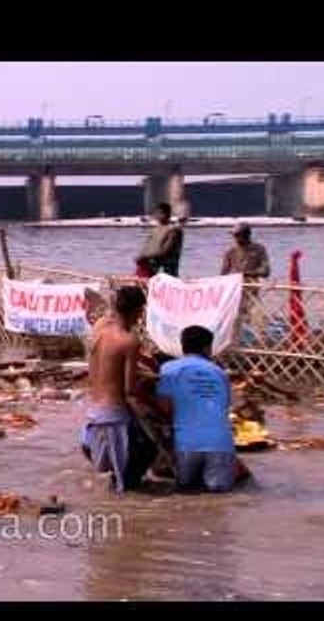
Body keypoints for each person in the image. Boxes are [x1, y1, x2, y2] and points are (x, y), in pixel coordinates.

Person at [80, 286, 156, 492]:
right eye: (141, 311)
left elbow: (110, 363)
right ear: (138, 311)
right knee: (126, 481)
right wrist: (152, 392)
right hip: (114, 415)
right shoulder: (129, 340)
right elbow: (130, 389)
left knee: (117, 470)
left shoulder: (100, 327)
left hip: (93, 410)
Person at [155, 326, 236, 493]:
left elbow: (164, 408)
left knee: (186, 491)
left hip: (186, 445)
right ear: (207, 348)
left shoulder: (168, 369)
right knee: (219, 497)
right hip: (220, 444)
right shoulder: (220, 373)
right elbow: (224, 407)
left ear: (182, 345)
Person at [135, 202, 184, 277]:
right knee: (142, 266)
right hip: (153, 261)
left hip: (166, 263)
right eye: (156, 213)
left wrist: (146, 256)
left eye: (160, 213)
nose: (157, 216)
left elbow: (166, 250)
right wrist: (141, 256)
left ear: (167, 214)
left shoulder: (173, 230)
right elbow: (147, 246)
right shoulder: (155, 230)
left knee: (155, 263)